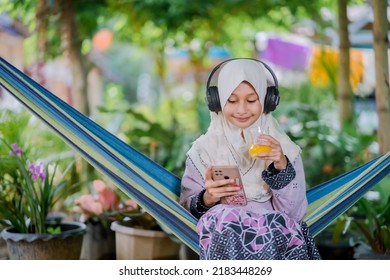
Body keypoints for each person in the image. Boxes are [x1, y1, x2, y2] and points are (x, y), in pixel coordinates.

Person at [179, 58, 321, 260]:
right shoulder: (203, 150)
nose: (242, 109)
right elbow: (187, 206)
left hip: (269, 228)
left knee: (280, 227)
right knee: (225, 218)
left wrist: (281, 166)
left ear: (267, 100)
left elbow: (294, 214)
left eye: (252, 100)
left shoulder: (283, 148)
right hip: (223, 228)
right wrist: (208, 198)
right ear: (217, 101)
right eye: (232, 100)